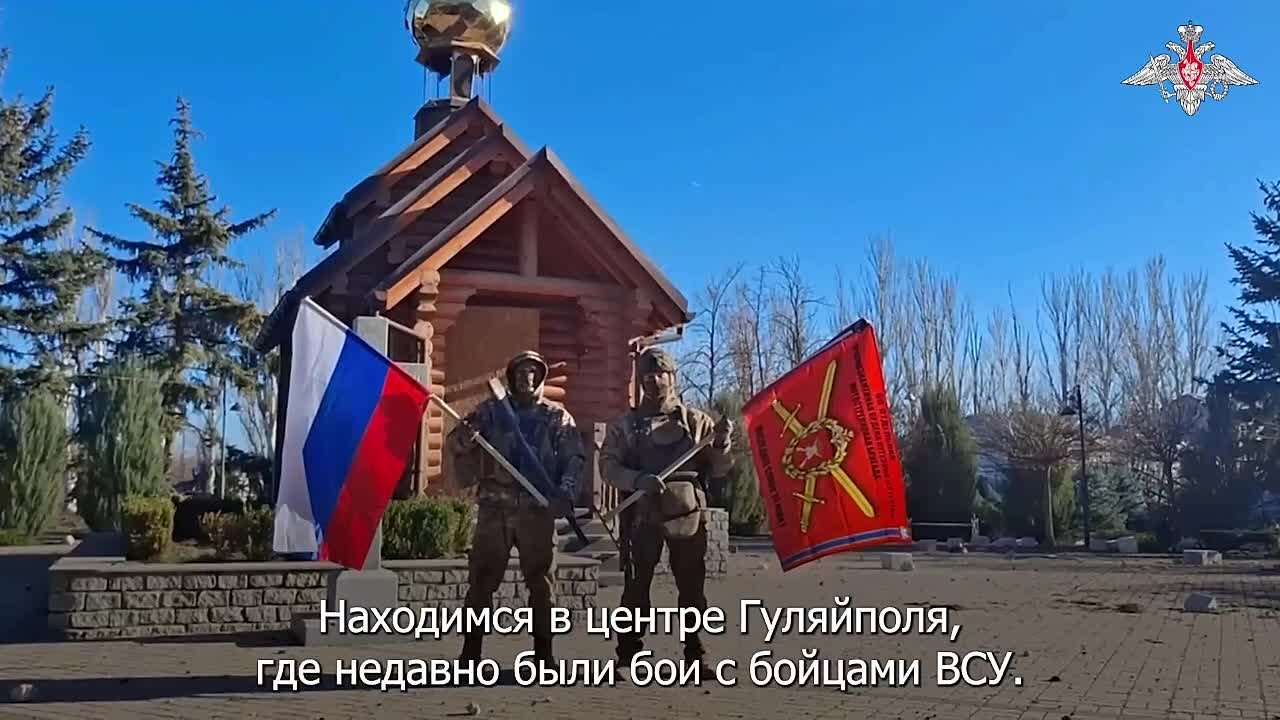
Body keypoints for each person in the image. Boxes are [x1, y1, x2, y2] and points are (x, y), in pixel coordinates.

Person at [446, 350, 585, 666]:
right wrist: (467, 437)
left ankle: (544, 655)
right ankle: (470, 653)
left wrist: (565, 492)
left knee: (542, 582)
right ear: (511, 377)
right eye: (521, 372)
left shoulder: (556, 417)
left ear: (541, 377)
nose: (527, 377)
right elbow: (456, 443)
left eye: (533, 372)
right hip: (495, 508)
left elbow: (574, 458)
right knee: (481, 580)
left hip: (536, 511)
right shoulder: (491, 412)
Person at [599, 347, 733, 668]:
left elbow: (719, 469)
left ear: (672, 377)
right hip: (643, 515)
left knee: (691, 586)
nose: (654, 381)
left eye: (661, 374)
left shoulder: (697, 422)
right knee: (635, 587)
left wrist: (721, 443)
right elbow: (607, 467)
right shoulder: (626, 425)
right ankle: (628, 653)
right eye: (648, 376)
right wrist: (636, 479)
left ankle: (695, 651)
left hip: (688, 514)